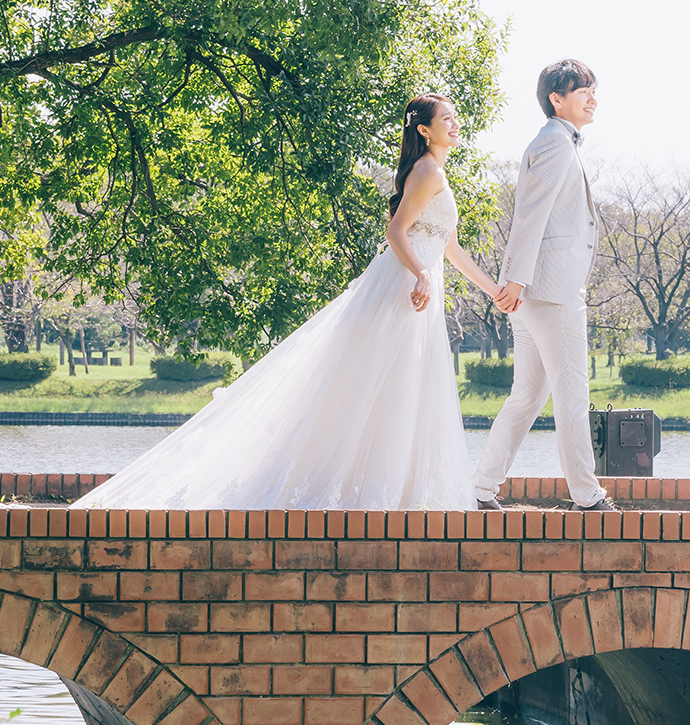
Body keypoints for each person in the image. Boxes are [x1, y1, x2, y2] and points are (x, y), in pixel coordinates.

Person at [72, 94, 508, 510]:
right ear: (424, 130)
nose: (456, 124)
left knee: (401, 385)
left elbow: (451, 248)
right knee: (378, 382)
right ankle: (356, 488)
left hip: (419, 286)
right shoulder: (427, 172)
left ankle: (389, 490)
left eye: (455, 118)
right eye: (447, 118)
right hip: (405, 286)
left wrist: (493, 291)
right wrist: (421, 274)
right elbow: (397, 232)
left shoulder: (436, 172)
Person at [469, 60, 615, 512]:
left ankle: (482, 488)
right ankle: (587, 496)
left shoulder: (556, 140)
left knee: (527, 396)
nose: (593, 99)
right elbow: (531, 214)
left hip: (535, 290)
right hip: (549, 290)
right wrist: (516, 279)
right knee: (572, 394)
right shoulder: (554, 141)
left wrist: (517, 282)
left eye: (593, 91)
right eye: (583, 91)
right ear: (557, 98)